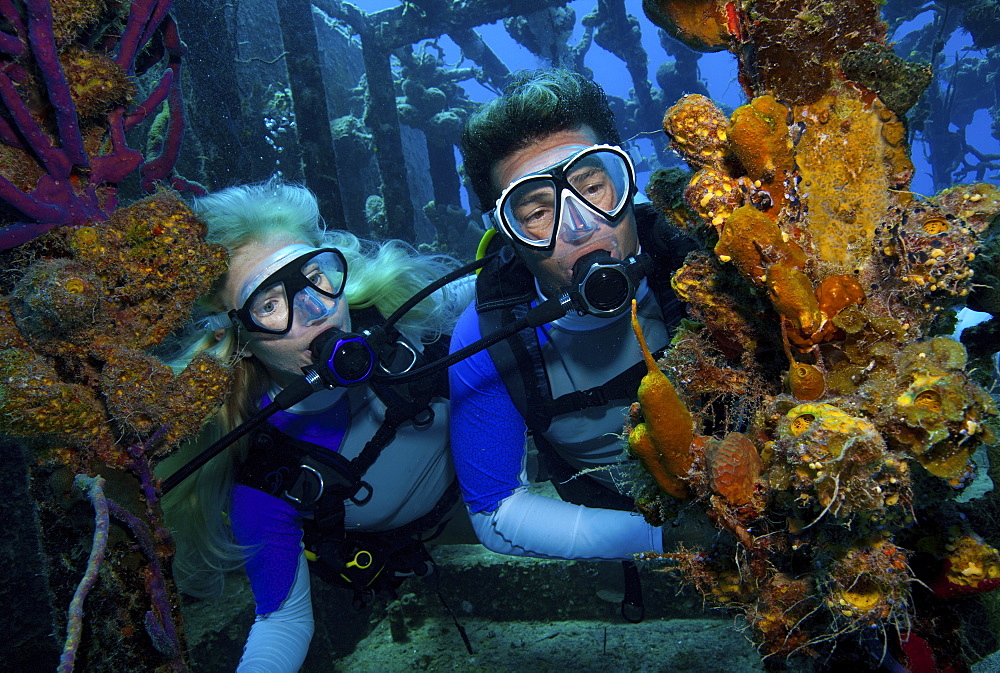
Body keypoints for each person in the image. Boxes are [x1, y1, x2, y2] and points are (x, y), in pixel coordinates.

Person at [159, 178, 471, 673]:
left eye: (315, 276)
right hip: (410, 541)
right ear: (237, 336)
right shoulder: (266, 466)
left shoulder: (406, 312)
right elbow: (282, 621)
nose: (316, 311)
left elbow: (495, 288)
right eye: (270, 303)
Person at [449, 69, 700, 570]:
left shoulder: (701, 258)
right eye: (538, 212)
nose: (582, 225)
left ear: (623, 181)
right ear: (510, 235)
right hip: (620, 517)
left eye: (592, 185)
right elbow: (494, 511)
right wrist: (667, 539)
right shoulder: (485, 338)